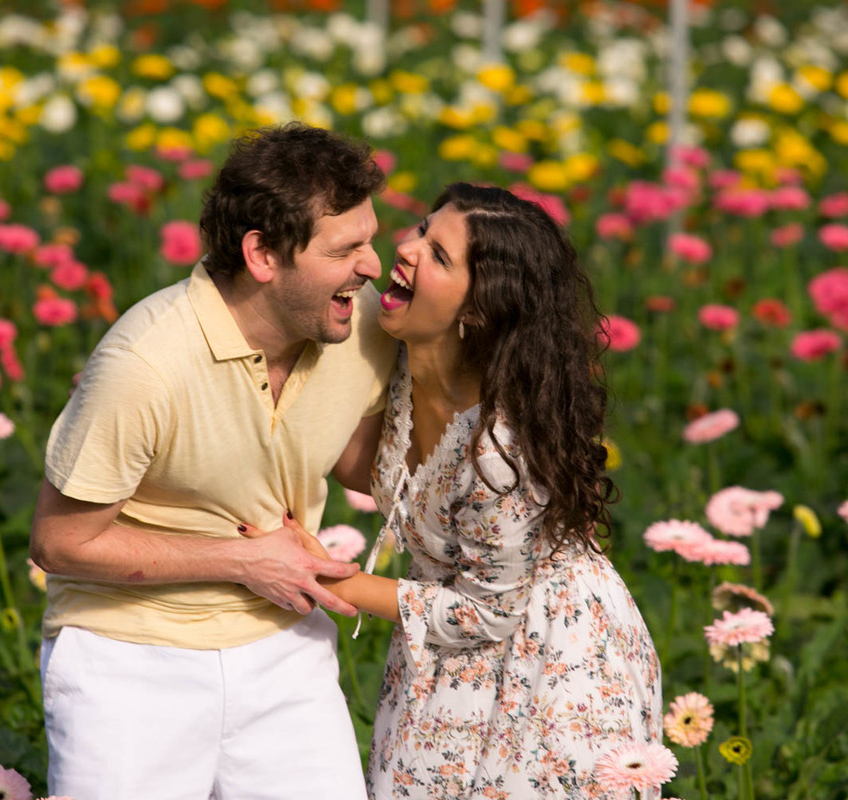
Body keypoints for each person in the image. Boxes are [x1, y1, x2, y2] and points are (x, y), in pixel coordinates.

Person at [243, 183, 662, 797]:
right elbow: (361, 466)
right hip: (444, 643)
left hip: (547, 659)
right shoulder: (401, 360)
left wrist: (320, 574)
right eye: (420, 229)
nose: (406, 249)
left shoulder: (501, 449)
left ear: (477, 311)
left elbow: (486, 611)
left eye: (438, 255)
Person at [29, 122, 398, 800]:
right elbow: (58, 541)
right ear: (262, 255)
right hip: (130, 660)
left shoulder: (356, 321)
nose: (373, 264)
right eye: (348, 248)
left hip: (288, 650)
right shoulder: (145, 361)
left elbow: (354, 462)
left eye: (370, 240)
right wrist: (242, 562)